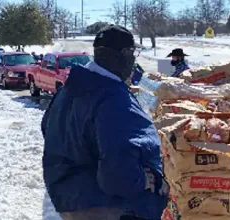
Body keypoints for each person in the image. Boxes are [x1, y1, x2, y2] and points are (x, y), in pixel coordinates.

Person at [41, 24, 169, 220]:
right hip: (106, 206)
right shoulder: (113, 99)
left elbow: (47, 128)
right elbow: (118, 176)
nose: (134, 60)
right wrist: (145, 179)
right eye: (133, 53)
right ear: (124, 54)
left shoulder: (71, 88)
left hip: (69, 198)